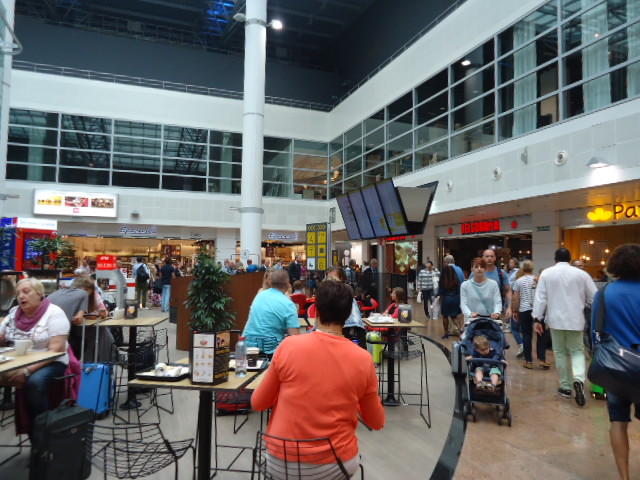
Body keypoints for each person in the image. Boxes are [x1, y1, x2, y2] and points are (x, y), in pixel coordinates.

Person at [251, 280, 385, 479]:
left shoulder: (288, 347)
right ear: (348, 314)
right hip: (334, 464)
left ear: (316, 310)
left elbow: (258, 403)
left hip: (281, 461)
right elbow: (376, 422)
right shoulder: (363, 360)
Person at [589, 244, 640, 480]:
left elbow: (595, 332)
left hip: (617, 367)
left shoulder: (605, 293)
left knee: (618, 421)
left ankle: (624, 476)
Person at [532, 247, 597, 406]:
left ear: (555, 259)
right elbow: (594, 296)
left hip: (555, 320)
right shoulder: (581, 274)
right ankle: (578, 379)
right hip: (576, 319)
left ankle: (565, 387)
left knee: (560, 352)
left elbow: (540, 298)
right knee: (577, 351)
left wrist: (537, 318)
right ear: (570, 259)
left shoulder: (546, 273)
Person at [0, 278, 69, 421]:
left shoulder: (54, 313)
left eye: (26, 292)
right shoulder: (14, 313)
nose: (21, 296)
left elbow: (56, 350)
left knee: (35, 382)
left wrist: (26, 371)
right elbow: (2, 337)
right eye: (18, 293)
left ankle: (42, 426)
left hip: (51, 362)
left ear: (40, 294)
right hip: (18, 360)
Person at [242, 269, 300, 354]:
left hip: (247, 348)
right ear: (288, 284)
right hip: (271, 352)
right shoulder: (288, 304)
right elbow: (295, 338)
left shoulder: (259, 295)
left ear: (271, 282)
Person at [512, 260, 549, 370]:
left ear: (522, 269)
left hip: (524, 310)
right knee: (541, 334)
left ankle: (528, 361)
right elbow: (543, 295)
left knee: (527, 335)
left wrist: (515, 310)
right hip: (538, 310)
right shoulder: (538, 279)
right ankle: (542, 359)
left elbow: (516, 298)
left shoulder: (518, 281)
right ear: (532, 268)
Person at [324, 267, 366, 348]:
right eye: (328, 278)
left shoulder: (346, 289)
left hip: (350, 328)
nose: (331, 281)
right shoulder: (327, 291)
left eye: (333, 278)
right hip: (336, 327)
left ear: (341, 278)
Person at [460, 257, 501, 323]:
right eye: (476, 267)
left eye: (482, 267)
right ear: (472, 269)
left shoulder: (493, 284)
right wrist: (469, 313)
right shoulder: (465, 285)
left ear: (485, 269)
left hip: (489, 321)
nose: (479, 269)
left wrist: (496, 312)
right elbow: (463, 304)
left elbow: (497, 301)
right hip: (471, 321)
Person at [436, 265, 462, 339]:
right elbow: (459, 290)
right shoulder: (456, 280)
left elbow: (440, 291)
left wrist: (437, 295)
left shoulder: (443, 280)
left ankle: (446, 333)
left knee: (445, 316)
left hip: (446, 299)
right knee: (454, 317)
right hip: (456, 299)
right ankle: (461, 331)